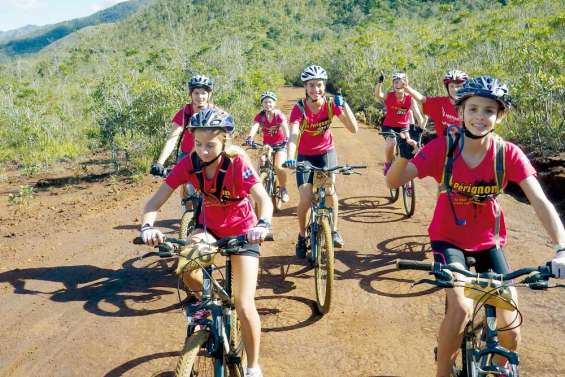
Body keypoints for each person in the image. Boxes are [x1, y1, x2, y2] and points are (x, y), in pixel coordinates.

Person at [386, 76, 565, 377]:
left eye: (488, 111)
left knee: (511, 328)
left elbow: (541, 202)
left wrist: (561, 248)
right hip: (448, 240)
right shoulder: (444, 148)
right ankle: (443, 369)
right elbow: (394, 181)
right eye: (473, 109)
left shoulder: (507, 154)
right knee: (461, 308)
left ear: (500, 115)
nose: (480, 117)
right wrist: (403, 160)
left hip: (488, 242)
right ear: (460, 112)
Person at [141, 108, 272, 377]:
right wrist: (147, 226)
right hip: (208, 228)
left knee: (245, 304)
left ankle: (253, 367)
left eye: (210, 145)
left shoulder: (237, 163)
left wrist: (262, 224)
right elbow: (154, 202)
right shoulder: (189, 163)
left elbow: (263, 199)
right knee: (186, 267)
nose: (203, 150)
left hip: (243, 232)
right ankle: (208, 303)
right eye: (198, 144)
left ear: (224, 141)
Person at [284, 64, 358, 255]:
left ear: (324, 86)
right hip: (304, 156)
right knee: (306, 199)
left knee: (331, 192)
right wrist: (290, 157)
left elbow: (353, 129)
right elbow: (293, 135)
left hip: (326, 153)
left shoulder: (332, 104)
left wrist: (345, 105)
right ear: (305, 87)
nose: (316, 89)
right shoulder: (299, 108)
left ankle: (333, 231)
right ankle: (302, 236)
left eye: (319, 85)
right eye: (311, 85)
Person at [150, 75, 216, 211]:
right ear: (190, 94)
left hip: (210, 154)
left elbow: (225, 137)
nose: (200, 97)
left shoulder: (216, 113)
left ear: (209, 94)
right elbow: (172, 138)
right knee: (187, 187)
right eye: (196, 93)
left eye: (203, 93)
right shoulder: (185, 113)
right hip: (187, 154)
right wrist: (160, 162)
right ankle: (188, 214)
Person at [374, 71, 425, 175]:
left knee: (411, 145)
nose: (398, 84)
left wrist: (420, 131)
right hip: (389, 126)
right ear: (393, 84)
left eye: (401, 82)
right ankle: (388, 164)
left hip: (403, 128)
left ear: (406, 84)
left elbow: (419, 118)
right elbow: (378, 95)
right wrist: (379, 82)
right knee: (392, 142)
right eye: (395, 82)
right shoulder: (390, 95)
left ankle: (407, 175)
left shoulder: (410, 99)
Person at [246, 91, 290, 202]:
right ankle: (258, 186)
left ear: (274, 103)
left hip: (280, 144)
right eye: (265, 102)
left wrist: (287, 138)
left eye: (270, 102)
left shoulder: (278, 115)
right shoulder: (261, 116)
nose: (267, 104)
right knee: (260, 163)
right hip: (267, 145)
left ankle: (283, 189)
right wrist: (250, 137)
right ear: (262, 104)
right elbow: (255, 126)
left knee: (278, 167)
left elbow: (285, 127)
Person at [404, 69, 468, 137]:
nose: (455, 89)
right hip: (443, 144)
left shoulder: (471, 104)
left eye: (458, 86)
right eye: (451, 86)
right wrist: (407, 87)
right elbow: (422, 99)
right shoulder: (440, 103)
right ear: (447, 88)